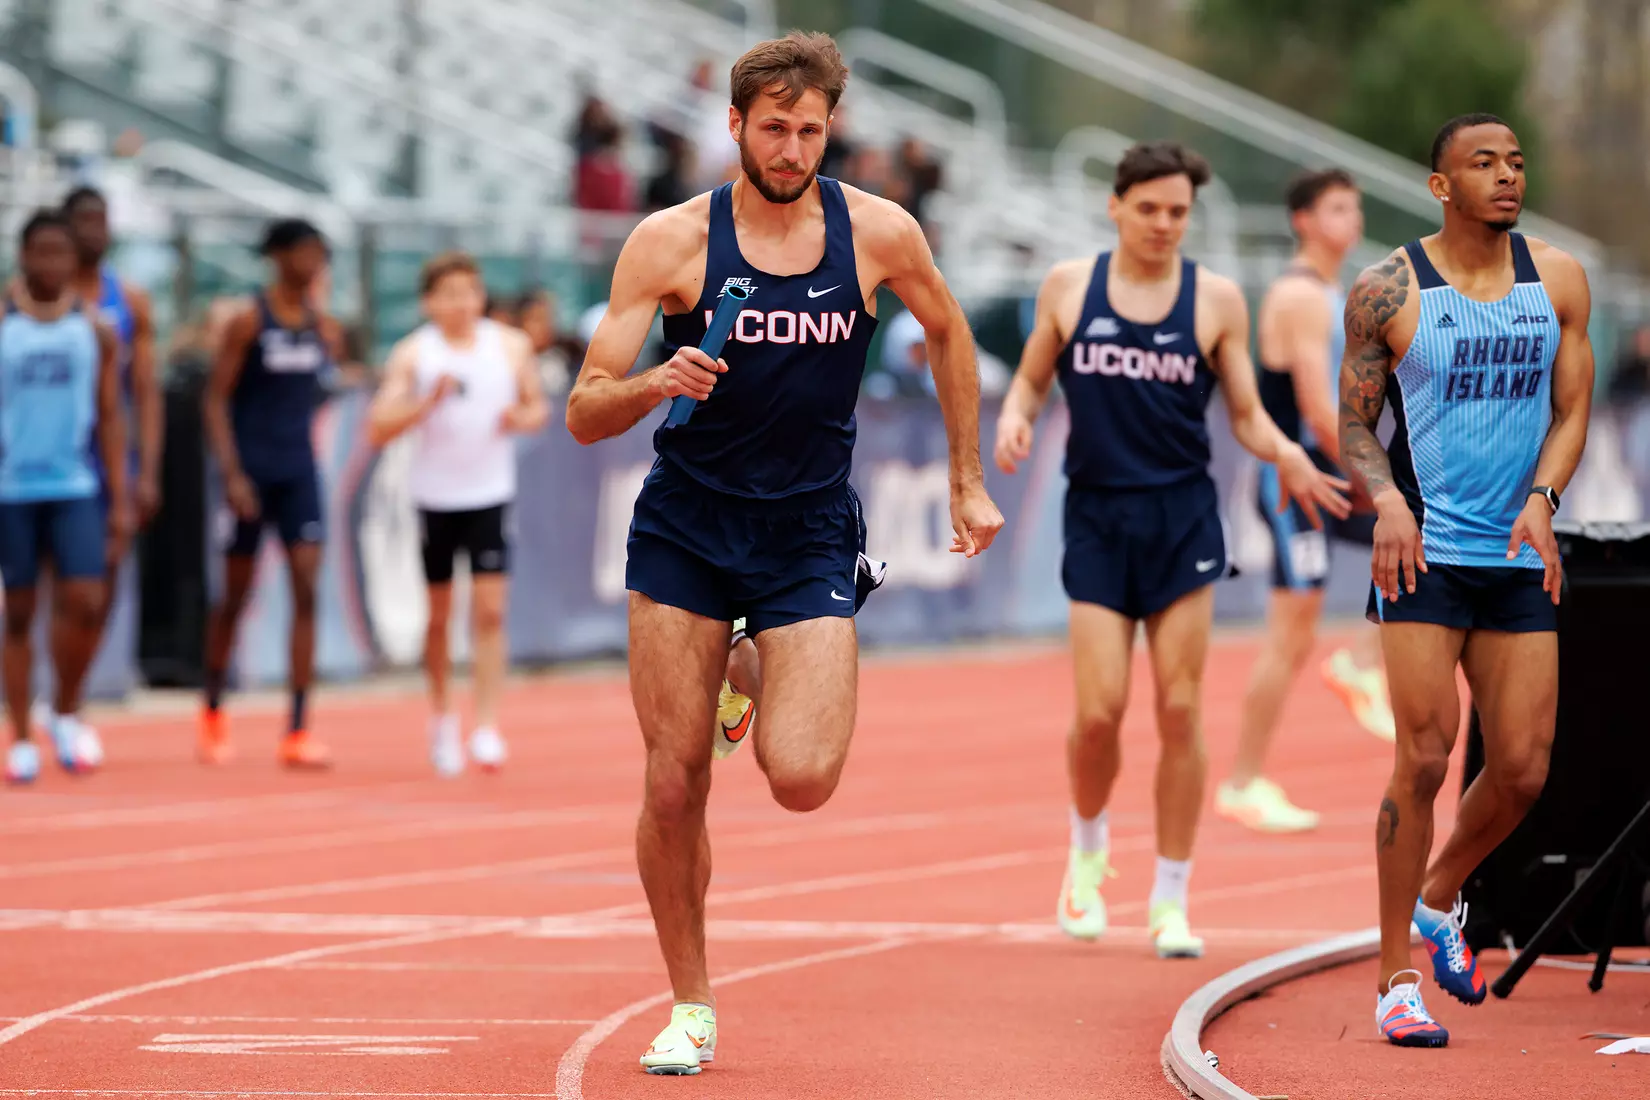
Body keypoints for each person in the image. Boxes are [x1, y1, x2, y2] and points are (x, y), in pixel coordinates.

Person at [564, 31, 1002, 1076]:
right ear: (735, 126)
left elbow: (947, 334)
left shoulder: (878, 231)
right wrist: (656, 381)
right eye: (774, 128)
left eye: (810, 130)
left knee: (801, 777)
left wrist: (966, 475)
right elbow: (584, 409)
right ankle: (692, 1001)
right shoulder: (670, 242)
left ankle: (747, 664)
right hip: (686, 523)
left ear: (830, 129)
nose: (792, 147)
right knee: (673, 782)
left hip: (807, 527)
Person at [993, 141, 1349, 959]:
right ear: (1115, 207)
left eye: (1178, 212)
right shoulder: (1069, 287)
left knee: (1181, 708)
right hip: (1098, 516)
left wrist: (1286, 450)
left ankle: (1172, 896)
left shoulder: (1216, 300)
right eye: (1147, 208)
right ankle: (1087, 853)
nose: (1162, 224)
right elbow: (1031, 379)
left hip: (1183, 518)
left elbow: (1249, 413)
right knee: (1099, 710)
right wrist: (1016, 414)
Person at [1337, 113, 1592, 1047]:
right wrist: (1386, 503)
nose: (1506, 176)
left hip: (1519, 551)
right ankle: (1393, 980)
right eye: (1483, 163)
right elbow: (1355, 424)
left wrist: (1545, 497)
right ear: (1440, 185)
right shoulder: (1387, 289)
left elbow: (1572, 409)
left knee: (1522, 769)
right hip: (1424, 553)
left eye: (1517, 161)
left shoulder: (1558, 279)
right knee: (1427, 756)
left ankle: (1438, 897)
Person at [1219, 168, 1390, 835]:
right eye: (1338, 208)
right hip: (1292, 476)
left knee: (1412, 537)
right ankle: (1242, 781)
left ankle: (1359, 662)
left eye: (1357, 207)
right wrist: (1371, 473)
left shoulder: (1326, 291)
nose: (1352, 220)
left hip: (1319, 467)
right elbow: (1319, 409)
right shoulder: (1301, 296)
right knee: (1289, 638)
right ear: (1303, 220)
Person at [366, 252, 548, 776]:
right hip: (434, 498)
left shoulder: (508, 346)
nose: (460, 304)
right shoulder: (413, 355)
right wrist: (425, 404)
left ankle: (486, 724)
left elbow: (537, 408)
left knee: (490, 612)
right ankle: (442, 717)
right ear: (429, 302)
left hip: (489, 494)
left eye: (468, 292)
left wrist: (520, 417)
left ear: (480, 296)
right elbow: (378, 426)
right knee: (440, 616)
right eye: (447, 294)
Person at [199, 217, 342, 769]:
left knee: (306, 587)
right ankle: (212, 708)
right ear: (278, 256)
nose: (313, 264)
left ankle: (299, 727)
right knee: (234, 596)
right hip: (249, 475)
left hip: (298, 473)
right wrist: (231, 475)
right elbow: (214, 400)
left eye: (320, 255)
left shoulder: (320, 326)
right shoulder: (247, 321)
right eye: (305, 253)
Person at [29, 186, 162, 752]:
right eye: (85, 220)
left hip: (106, 463)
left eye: (103, 220)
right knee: (30, 588)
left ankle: (69, 701)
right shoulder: (26, 304)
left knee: (93, 592)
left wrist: (146, 471)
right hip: (38, 458)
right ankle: (29, 701)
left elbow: (145, 391)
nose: (96, 230)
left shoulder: (128, 302)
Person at [0, 211, 126, 783]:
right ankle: (22, 735)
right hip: (13, 487)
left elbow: (108, 413)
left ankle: (66, 709)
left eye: (61, 253)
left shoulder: (94, 328)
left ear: (75, 262)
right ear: (23, 257)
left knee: (85, 601)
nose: (50, 264)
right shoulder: (3, 320)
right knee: (21, 612)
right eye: (40, 252)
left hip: (75, 483)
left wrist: (121, 494)